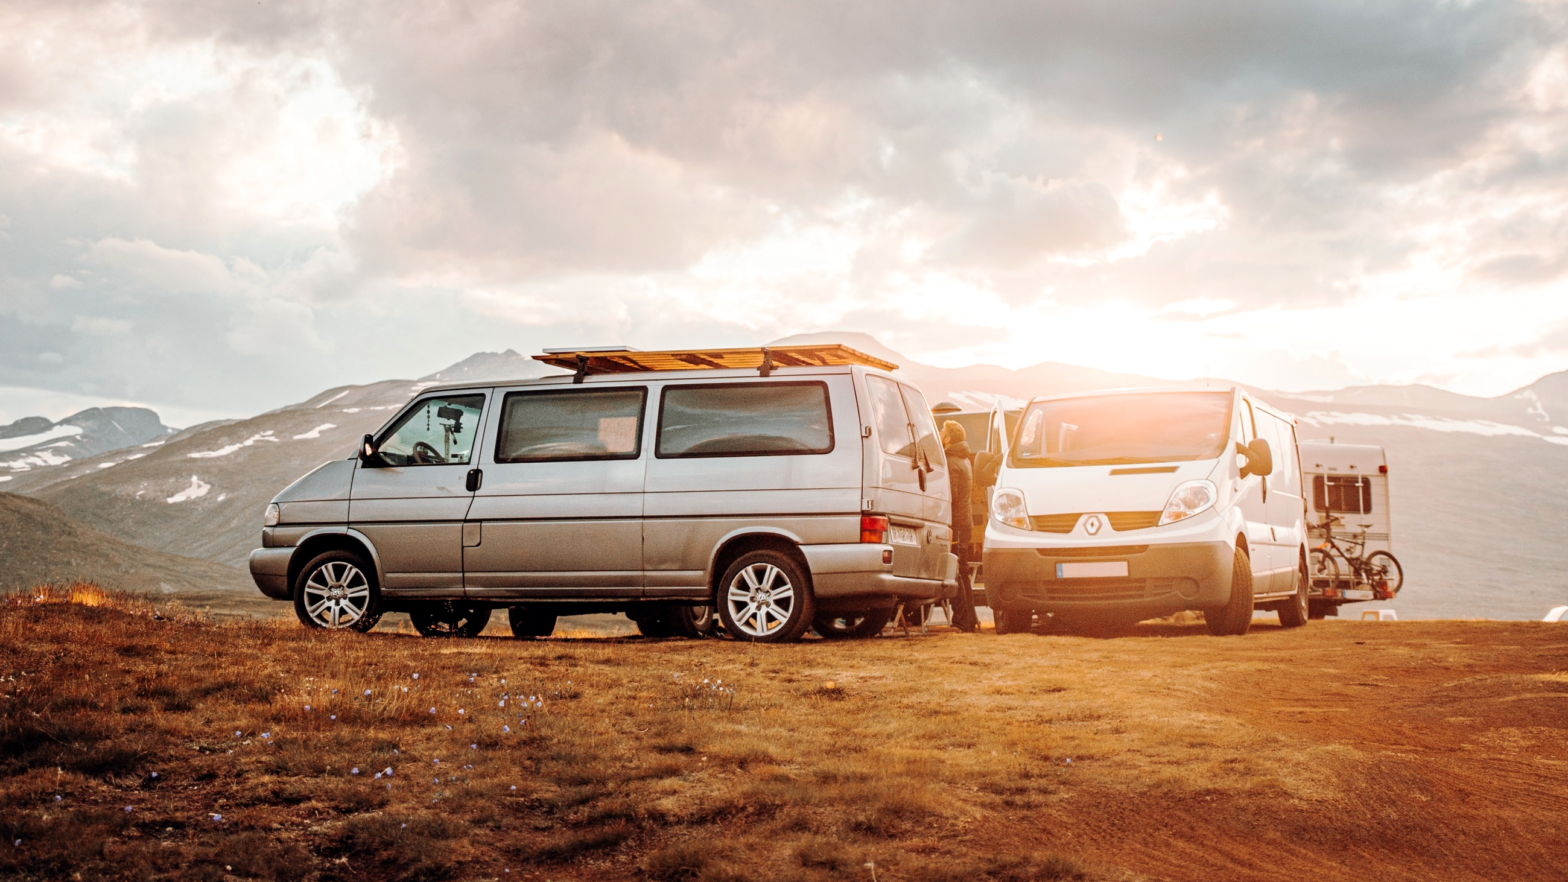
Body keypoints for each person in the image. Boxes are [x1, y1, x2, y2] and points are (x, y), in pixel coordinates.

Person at [941, 419, 980, 632]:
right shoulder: (964, 460)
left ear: (947, 438)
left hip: (955, 523)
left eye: (941, 432)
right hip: (965, 521)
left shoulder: (951, 462)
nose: (939, 434)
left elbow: (951, 495)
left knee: (956, 570)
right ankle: (970, 619)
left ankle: (962, 621)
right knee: (962, 570)